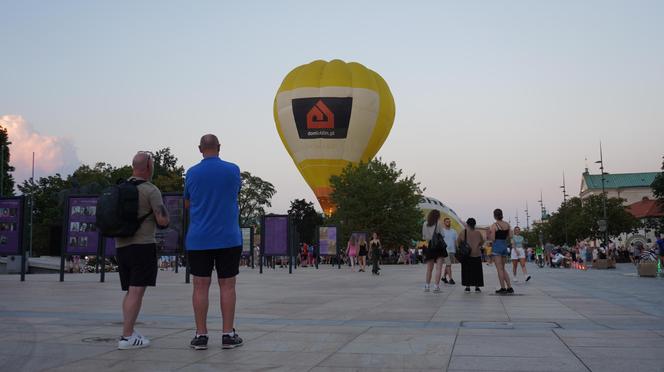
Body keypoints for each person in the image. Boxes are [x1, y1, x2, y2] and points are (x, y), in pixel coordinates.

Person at [185, 134, 243, 350]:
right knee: (227, 285)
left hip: (199, 238)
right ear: (219, 147)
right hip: (228, 237)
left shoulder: (191, 173)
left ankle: (201, 335)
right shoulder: (233, 169)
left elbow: (188, 204)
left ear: (200, 149)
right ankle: (228, 334)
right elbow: (235, 193)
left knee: (200, 286)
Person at [116, 151, 170, 350]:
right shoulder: (150, 190)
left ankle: (128, 330)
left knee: (130, 291)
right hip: (143, 245)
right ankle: (127, 336)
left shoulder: (120, 188)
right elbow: (162, 219)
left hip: (121, 246)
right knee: (137, 291)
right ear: (148, 166)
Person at [488, 209, 513, 294]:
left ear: (494, 216)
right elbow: (510, 236)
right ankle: (509, 287)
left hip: (497, 246)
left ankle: (503, 288)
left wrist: (489, 234)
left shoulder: (494, 225)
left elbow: (493, 239)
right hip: (504, 246)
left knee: (499, 269)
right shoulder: (507, 224)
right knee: (503, 268)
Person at [458, 218, 484, 292]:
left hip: (466, 255)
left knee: (466, 271)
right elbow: (482, 242)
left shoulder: (463, 232)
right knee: (477, 271)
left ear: (467, 224)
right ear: (474, 224)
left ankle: (467, 286)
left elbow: (458, 242)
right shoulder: (478, 233)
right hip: (476, 254)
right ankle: (477, 286)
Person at [422, 210, 445, 293]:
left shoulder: (425, 223)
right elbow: (443, 235)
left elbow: (424, 237)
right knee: (438, 268)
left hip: (430, 246)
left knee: (429, 269)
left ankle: (427, 286)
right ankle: (436, 287)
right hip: (439, 247)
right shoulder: (438, 223)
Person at [441, 218, 458, 285]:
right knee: (449, 264)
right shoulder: (442, 231)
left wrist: (457, 250)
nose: (448, 223)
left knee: (448, 265)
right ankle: (450, 279)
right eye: (446, 222)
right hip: (445, 250)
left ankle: (444, 277)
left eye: (449, 222)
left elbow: (456, 241)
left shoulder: (454, 231)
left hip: (452, 250)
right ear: (444, 223)